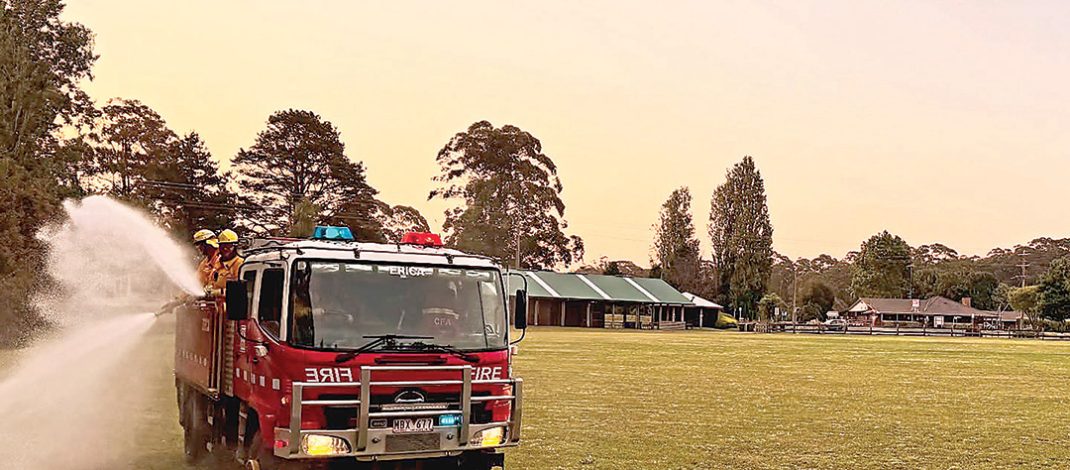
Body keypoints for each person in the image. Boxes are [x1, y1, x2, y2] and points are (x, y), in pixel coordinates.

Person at [205, 229, 244, 297]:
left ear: (235, 247)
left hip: (231, 306)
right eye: (222, 246)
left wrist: (220, 292)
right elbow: (212, 281)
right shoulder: (217, 263)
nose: (225, 249)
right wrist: (208, 288)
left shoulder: (239, 264)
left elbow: (240, 291)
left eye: (228, 246)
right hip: (216, 306)